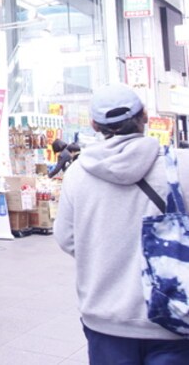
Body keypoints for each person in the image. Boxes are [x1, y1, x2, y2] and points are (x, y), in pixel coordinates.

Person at [54, 83, 189, 364]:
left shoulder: (77, 173)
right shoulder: (182, 166)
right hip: (175, 318)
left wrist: (104, 250)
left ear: (94, 125)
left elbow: (66, 238)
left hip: (105, 318)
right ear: (145, 116)